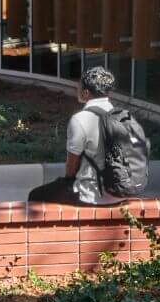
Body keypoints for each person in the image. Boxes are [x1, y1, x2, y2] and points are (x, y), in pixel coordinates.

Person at [29, 66, 148, 206]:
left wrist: (65, 181)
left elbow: (71, 167)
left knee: (36, 195)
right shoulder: (123, 117)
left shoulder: (80, 119)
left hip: (91, 195)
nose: (76, 90)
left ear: (85, 93)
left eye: (78, 87)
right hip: (122, 192)